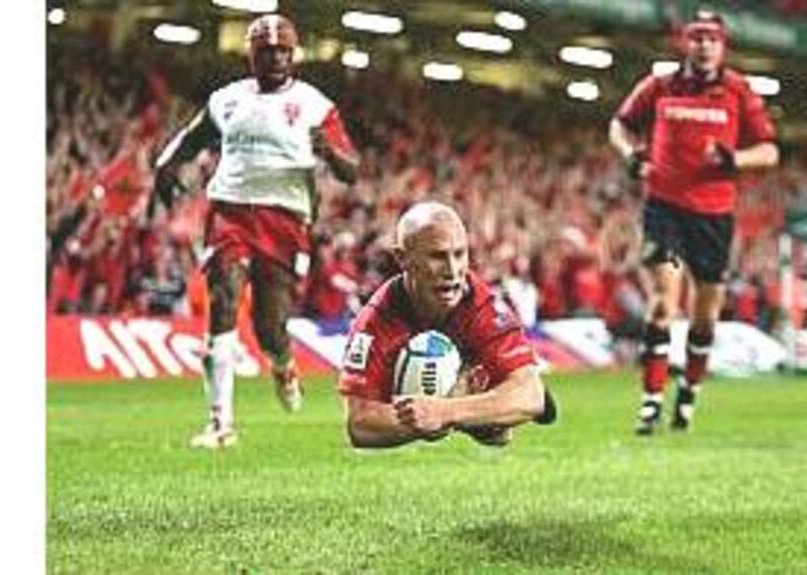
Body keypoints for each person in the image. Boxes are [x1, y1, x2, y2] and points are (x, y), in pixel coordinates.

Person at [149, 14, 360, 449]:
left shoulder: (315, 105)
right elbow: (191, 138)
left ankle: (283, 363)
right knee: (223, 297)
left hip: (285, 220)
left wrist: (331, 154)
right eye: (267, 51)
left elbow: (351, 170)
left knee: (269, 327)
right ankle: (220, 423)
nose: (276, 59)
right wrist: (165, 164)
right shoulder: (228, 100)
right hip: (230, 211)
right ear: (252, 55)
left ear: (294, 55)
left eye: (284, 51)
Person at [608, 10, 779, 434]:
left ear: (723, 46)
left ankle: (688, 395)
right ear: (685, 42)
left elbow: (769, 151)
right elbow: (619, 125)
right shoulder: (660, 85)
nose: (704, 45)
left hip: (713, 216)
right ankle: (650, 402)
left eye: (712, 39)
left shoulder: (739, 91)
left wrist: (734, 159)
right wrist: (631, 155)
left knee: (705, 316)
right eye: (697, 37)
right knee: (663, 301)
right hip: (664, 208)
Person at [337, 202, 556, 448]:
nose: (452, 270)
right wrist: (434, 417)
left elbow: (532, 396)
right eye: (437, 256)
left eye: (460, 254)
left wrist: (446, 411)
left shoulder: (483, 306)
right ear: (402, 258)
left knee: (507, 403)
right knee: (494, 418)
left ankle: (478, 401)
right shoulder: (375, 320)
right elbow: (360, 424)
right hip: (408, 393)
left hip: (456, 394)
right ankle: (482, 410)